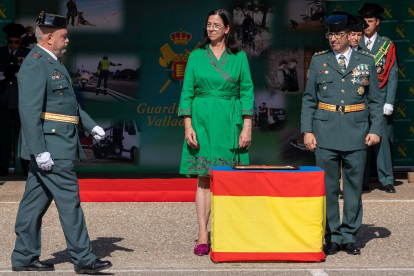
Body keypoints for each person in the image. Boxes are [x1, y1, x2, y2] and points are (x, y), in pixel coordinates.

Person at [11, 12, 112, 274]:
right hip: (51, 146)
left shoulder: (51, 61)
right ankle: (84, 258)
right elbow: (29, 112)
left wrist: (92, 127)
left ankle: (24, 257)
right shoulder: (36, 63)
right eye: (63, 36)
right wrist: (40, 150)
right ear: (49, 38)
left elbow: (70, 106)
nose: (67, 41)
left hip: (55, 142)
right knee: (70, 201)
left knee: (33, 204)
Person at [301, 11, 382, 256]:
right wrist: (307, 130)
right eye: (329, 34)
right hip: (325, 130)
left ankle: (349, 235)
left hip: (357, 130)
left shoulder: (366, 61)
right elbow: (309, 99)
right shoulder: (319, 61)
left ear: (349, 35)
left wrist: (376, 129)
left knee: (353, 187)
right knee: (327, 187)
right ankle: (332, 235)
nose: (332, 38)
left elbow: (375, 101)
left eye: (337, 34)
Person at [178, 8, 254, 256]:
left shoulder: (239, 56)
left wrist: (247, 126)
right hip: (201, 121)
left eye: (216, 25)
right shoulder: (196, 56)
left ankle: (227, 232)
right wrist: (188, 125)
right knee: (203, 179)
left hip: (229, 121)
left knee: (229, 178)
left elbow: (246, 92)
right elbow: (187, 92)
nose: (211, 29)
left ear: (227, 28)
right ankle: (203, 233)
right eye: (208, 24)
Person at [358, 3, 398, 193]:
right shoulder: (354, 44)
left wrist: (389, 101)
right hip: (359, 99)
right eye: (364, 22)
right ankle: (363, 179)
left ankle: (386, 179)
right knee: (361, 140)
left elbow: (392, 75)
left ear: (377, 22)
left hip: (380, 99)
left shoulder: (387, 45)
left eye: (370, 21)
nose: (366, 25)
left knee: (381, 140)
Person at [0, 23, 30, 176]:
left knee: (23, 135)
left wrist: (19, 75)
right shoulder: (0, 53)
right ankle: (3, 165)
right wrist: (4, 75)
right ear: (7, 40)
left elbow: (34, 77)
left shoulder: (28, 54)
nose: (13, 45)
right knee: (3, 134)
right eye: (10, 41)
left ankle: (26, 165)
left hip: (21, 101)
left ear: (20, 41)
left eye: (16, 42)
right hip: (3, 99)